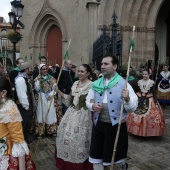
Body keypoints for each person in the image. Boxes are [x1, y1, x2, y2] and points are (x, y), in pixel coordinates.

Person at [86, 54, 138, 170]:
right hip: (98, 125)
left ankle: (122, 165)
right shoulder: (96, 83)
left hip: (116, 126)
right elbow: (88, 101)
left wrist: (128, 98)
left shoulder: (123, 84)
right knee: (97, 155)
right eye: (102, 64)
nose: (102, 66)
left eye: (106, 64)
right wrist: (92, 105)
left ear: (114, 66)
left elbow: (132, 108)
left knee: (115, 155)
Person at [55, 64, 93, 170]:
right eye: (79, 71)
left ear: (88, 73)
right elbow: (69, 99)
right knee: (64, 134)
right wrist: (58, 91)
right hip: (71, 113)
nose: (79, 73)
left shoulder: (92, 85)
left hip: (84, 115)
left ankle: (80, 163)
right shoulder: (76, 83)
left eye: (82, 71)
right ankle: (67, 161)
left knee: (79, 139)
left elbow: (93, 101)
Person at [0, 77, 36, 170]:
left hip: (7, 153)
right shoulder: (2, 105)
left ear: (3, 93)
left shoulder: (10, 111)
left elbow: (18, 140)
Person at [126, 69, 167, 136]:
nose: (144, 76)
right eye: (143, 74)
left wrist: (156, 102)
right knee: (135, 115)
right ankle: (137, 131)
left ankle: (147, 132)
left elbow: (154, 93)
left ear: (149, 75)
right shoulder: (139, 82)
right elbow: (136, 90)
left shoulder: (152, 82)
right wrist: (137, 95)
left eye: (146, 74)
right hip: (140, 99)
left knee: (151, 116)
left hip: (150, 100)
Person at [34, 64, 57, 136]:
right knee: (41, 113)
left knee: (50, 112)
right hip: (41, 97)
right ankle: (41, 131)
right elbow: (36, 89)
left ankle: (50, 131)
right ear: (40, 70)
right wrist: (38, 83)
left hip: (50, 97)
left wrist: (52, 94)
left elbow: (55, 88)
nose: (45, 70)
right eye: (43, 69)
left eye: (46, 69)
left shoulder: (51, 78)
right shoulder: (38, 78)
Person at [15, 61, 33, 144]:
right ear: (26, 69)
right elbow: (22, 95)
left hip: (25, 105)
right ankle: (24, 140)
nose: (31, 70)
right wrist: (27, 106)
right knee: (25, 123)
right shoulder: (20, 80)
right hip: (23, 106)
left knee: (27, 123)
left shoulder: (24, 78)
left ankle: (25, 138)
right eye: (30, 68)